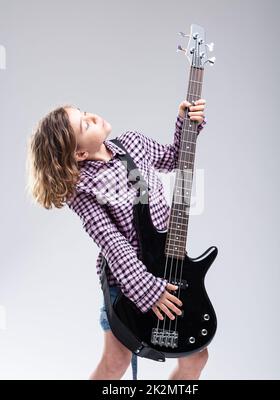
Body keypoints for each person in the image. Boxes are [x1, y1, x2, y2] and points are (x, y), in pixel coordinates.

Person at [26, 98, 209, 380]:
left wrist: (187, 124)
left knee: (196, 355)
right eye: (84, 123)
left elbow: (174, 158)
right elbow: (113, 243)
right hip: (126, 283)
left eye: (85, 112)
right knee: (116, 361)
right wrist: (149, 290)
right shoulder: (83, 190)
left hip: (168, 271)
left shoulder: (134, 143)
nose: (93, 117)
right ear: (79, 154)